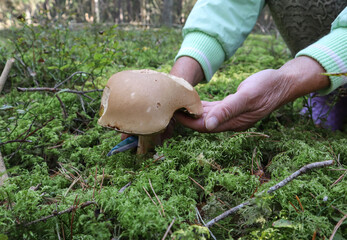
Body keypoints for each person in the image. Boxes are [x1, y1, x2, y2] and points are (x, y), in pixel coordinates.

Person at [169, 0, 347, 133]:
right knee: (319, 128)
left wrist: (287, 81)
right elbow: (228, 5)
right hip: (320, 72)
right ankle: (325, 90)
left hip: (329, 62)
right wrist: (177, 84)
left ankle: (327, 89)